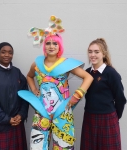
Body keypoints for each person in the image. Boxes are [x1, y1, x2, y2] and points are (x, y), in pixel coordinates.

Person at [18, 15, 93, 150]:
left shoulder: (66, 64)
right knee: (38, 147)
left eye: (55, 43)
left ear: (60, 46)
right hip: (41, 112)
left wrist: (76, 96)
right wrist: (34, 90)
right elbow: (29, 77)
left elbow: (88, 77)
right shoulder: (37, 63)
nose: (51, 46)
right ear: (44, 46)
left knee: (63, 147)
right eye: (48, 43)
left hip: (62, 112)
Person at [80, 38, 126, 150]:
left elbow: (120, 99)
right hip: (89, 117)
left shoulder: (111, 73)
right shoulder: (87, 72)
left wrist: (114, 116)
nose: (92, 55)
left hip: (107, 119)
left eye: (96, 52)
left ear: (104, 54)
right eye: (90, 52)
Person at [0, 42, 29, 150]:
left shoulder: (17, 73)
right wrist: (6, 119)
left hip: (17, 125)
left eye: (10, 52)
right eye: (3, 52)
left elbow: (25, 95)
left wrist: (21, 114)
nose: (7, 55)